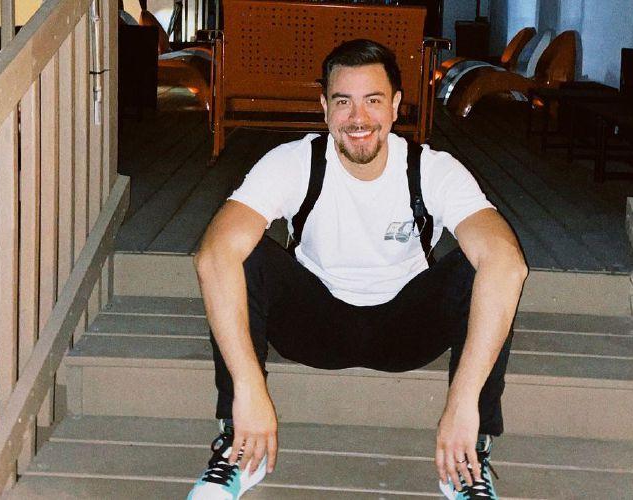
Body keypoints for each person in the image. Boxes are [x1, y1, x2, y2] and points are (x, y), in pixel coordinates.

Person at [188, 39, 528, 500]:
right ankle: (238, 446)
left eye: (373, 100)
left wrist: (463, 403)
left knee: (488, 264)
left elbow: (508, 264)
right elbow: (213, 255)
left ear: (395, 106)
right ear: (324, 107)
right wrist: (249, 389)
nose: (358, 117)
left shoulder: (432, 170)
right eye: (343, 101)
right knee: (238, 254)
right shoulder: (293, 162)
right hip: (315, 325)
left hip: (406, 329)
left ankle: (470, 458)